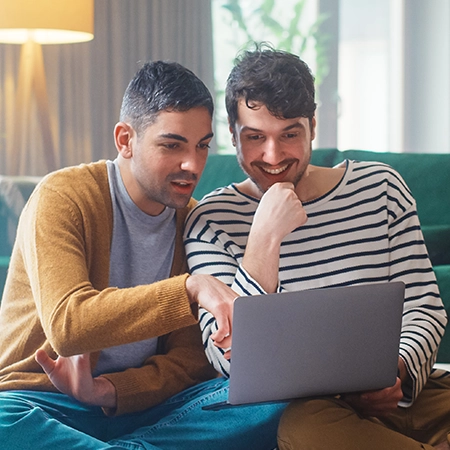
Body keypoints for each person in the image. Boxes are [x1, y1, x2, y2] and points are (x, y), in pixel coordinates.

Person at [0, 60, 286, 449]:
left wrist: (108, 391)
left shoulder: (195, 220)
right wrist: (190, 287)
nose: (193, 164)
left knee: (271, 399)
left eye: (202, 146)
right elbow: (69, 326)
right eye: (172, 145)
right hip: (41, 402)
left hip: (142, 409)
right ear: (125, 140)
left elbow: (189, 362)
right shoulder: (63, 196)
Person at [184, 44, 450, 449]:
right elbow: (227, 360)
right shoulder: (210, 219)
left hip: (407, 393)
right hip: (315, 412)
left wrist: (397, 371)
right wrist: (264, 240)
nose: (272, 156)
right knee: (301, 429)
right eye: (255, 137)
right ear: (233, 133)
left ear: (313, 125)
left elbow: (424, 307)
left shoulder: (380, 188)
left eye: (289, 134)